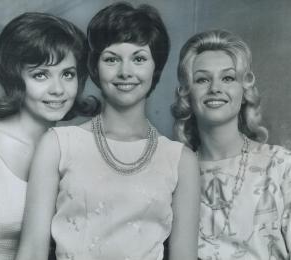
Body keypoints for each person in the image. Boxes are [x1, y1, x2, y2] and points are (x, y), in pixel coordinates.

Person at [16, 2, 200, 260]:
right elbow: (32, 251)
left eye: (139, 58)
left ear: (154, 67)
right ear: (94, 66)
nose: (126, 72)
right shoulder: (58, 144)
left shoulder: (181, 160)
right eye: (112, 59)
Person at [0, 12, 94, 260]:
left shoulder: (72, 151)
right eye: (41, 75)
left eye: (67, 74)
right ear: (15, 78)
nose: (57, 89)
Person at [172, 29, 291, 259]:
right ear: (187, 93)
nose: (215, 88)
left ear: (244, 90)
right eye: (202, 79)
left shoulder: (281, 166)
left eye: (228, 78)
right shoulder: (174, 175)